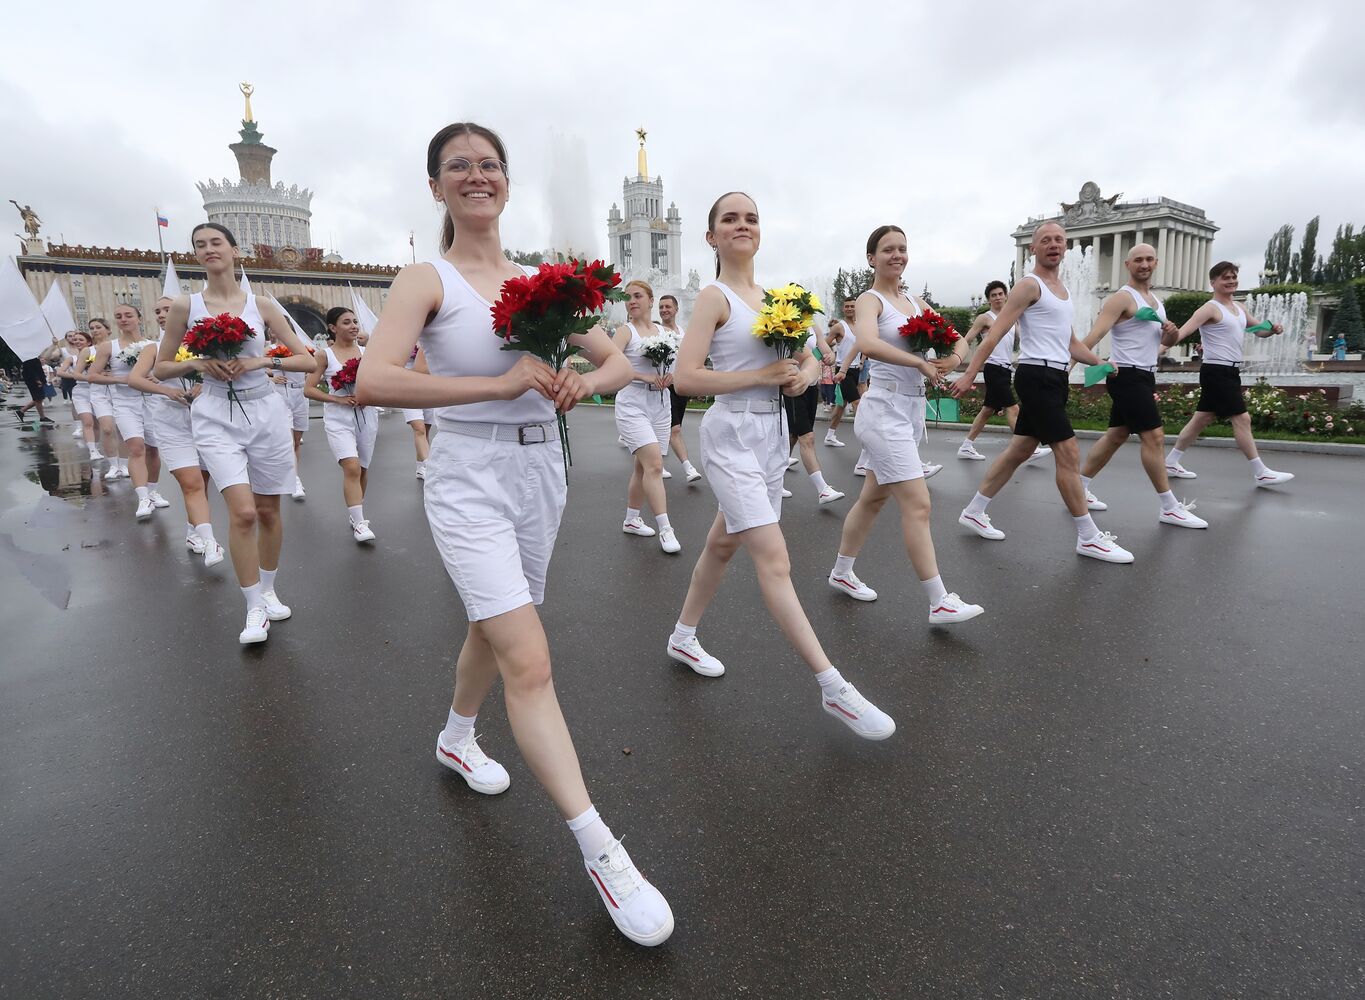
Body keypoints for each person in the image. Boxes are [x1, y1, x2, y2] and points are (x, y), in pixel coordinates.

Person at [355, 122, 672, 947]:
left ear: (506, 180)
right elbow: (373, 381)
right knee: (528, 657)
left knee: (493, 628)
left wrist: (578, 379)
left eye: (488, 164)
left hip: (543, 476)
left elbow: (619, 363)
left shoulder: (542, 282)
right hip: (467, 477)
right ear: (436, 187)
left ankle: (457, 737)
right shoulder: (425, 280)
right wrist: (493, 386)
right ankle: (602, 850)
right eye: (457, 166)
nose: (475, 175)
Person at [667, 190, 897, 743]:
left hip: (772, 435)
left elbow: (812, 353)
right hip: (732, 435)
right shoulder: (714, 297)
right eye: (729, 219)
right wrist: (761, 378)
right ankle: (832, 686)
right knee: (773, 558)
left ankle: (682, 635)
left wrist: (803, 370)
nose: (741, 225)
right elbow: (685, 377)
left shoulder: (777, 297)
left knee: (723, 543)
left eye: (750, 218)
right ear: (711, 235)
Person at [154, 222, 316, 645]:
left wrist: (263, 362)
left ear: (233, 249)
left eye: (215, 243)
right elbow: (161, 367)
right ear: (195, 254)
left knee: (268, 512)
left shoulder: (261, 305)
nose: (209, 250)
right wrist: (196, 364)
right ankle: (253, 608)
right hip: (213, 414)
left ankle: (268, 588)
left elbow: (307, 361)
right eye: (200, 245)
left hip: (265, 411)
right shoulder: (184, 306)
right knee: (243, 512)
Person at [950, 221, 1134, 564]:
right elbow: (993, 336)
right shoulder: (1028, 286)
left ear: (1065, 247)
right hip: (1035, 376)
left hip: (1055, 377)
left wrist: (1100, 360)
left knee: (1020, 450)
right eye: (1045, 240)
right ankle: (1088, 536)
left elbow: (1071, 342)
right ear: (1033, 249)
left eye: (1059, 240)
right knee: (1068, 452)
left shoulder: (1061, 291)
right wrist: (970, 374)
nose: (1053, 244)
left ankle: (975, 510)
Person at [829, 225, 984, 622]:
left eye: (902, 249)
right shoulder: (870, 300)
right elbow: (865, 342)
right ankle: (939, 601)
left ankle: (841, 573)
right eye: (887, 250)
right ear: (871, 258)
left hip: (910, 414)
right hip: (883, 412)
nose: (896, 255)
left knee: (872, 498)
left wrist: (954, 359)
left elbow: (958, 340)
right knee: (918, 504)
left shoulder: (915, 300)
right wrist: (918, 361)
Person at [1073, 244, 1207, 528]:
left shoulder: (1156, 302)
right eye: (1138, 260)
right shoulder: (1121, 298)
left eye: (1148, 259)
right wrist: (1069, 365)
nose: (1144, 264)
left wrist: (1170, 334)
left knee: (1116, 435)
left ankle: (1078, 488)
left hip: (1145, 375)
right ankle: (1169, 507)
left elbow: (1165, 344)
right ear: (1127, 264)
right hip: (1126, 376)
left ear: (1156, 262)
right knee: (1154, 438)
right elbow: (1095, 334)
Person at [1163, 261, 1294, 486]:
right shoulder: (1209, 308)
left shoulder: (1240, 307)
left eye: (1234, 277)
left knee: (1201, 418)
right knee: (1242, 418)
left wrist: (1272, 330)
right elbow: (1183, 332)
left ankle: (1171, 461)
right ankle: (1260, 472)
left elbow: (1257, 329)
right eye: (1225, 277)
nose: (1231, 281)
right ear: (1213, 282)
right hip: (1216, 371)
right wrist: (1157, 349)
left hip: (1230, 371)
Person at [131, 296, 225, 564]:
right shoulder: (154, 348)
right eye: (158, 311)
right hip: (170, 421)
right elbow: (134, 379)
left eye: (168, 309)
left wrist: (204, 386)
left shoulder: (205, 345)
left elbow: (226, 373)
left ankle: (193, 530)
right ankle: (210, 543)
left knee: (202, 482)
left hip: (207, 419)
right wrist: (166, 390)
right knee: (191, 481)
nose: (162, 314)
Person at [613, 279, 682, 553]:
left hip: (661, 404)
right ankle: (667, 529)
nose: (632, 301)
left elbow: (678, 363)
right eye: (627, 297)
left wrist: (670, 377)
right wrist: (644, 376)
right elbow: (610, 365)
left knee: (642, 467)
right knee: (654, 465)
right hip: (633, 403)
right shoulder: (624, 332)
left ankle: (631, 519)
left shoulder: (664, 332)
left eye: (638, 296)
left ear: (650, 300)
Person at [956, 280, 1052, 466]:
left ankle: (966, 446)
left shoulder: (1011, 318)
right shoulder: (985, 318)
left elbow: (1023, 338)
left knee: (987, 411)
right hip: (993, 368)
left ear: (1006, 296)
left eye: (1000, 294)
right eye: (993, 295)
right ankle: (1026, 450)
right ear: (988, 299)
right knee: (1013, 408)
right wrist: (955, 357)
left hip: (1005, 369)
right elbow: (967, 339)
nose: (998, 297)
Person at [304, 307, 379, 542]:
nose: (354, 326)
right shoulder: (324, 355)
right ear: (333, 328)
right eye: (346, 322)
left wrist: (371, 396)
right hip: (339, 419)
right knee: (352, 467)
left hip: (367, 416)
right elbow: (308, 389)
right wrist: (337, 398)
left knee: (363, 469)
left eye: (355, 321)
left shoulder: (369, 352)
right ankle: (359, 523)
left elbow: (380, 383)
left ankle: (355, 511)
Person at [93, 304, 167, 519]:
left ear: (139, 318)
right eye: (118, 316)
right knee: (136, 448)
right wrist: (120, 379)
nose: (124, 319)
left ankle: (153, 491)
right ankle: (142, 496)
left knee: (153, 449)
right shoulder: (109, 347)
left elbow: (164, 370)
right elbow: (93, 375)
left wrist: (157, 377)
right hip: (125, 403)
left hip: (152, 402)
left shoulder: (154, 345)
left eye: (128, 315)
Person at [783, 320, 845, 504]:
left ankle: (774, 476)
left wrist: (830, 357)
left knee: (794, 435)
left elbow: (824, 347)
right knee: (807, 437)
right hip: (792, 386)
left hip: (810, 386)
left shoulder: (811, 324)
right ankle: (822, 489)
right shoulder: (784, 324)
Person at [266, 325, 312, 500]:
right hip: (280, 393)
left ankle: (289, 474)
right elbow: (252, 368)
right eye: (271, 328)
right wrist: (270, 377)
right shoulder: (268, 350)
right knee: (286, 438)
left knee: (296, 442)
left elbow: (312, 366)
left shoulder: (301, 349)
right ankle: (294, 480)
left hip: (300, 394)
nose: (274, 330)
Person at [660, 294, 702, 483]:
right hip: (663, 387)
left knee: (669, 429)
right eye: (661, 307)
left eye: (668, 306)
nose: (664, 310)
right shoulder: (657, 331)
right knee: (674, 429)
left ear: (676, 309)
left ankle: (654, 463)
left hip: (680, 387)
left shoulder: (682, 332)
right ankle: (688, 468)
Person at [81, 318, 127, 476]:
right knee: (107, 429)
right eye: (91, 328)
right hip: (98, 392)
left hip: (119, 390)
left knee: (122, 429)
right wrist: (95, 374)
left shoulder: (118, 347)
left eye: (98, 327)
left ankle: (124, 464)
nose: (94, 330)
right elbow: (77, 374)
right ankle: (113, 465)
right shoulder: (88, 351)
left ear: (108, 330)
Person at [823, 298, 861, 447]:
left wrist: (863, 361)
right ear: (843, 309)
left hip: (856, 369)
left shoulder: (860, 326)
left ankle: (830, 435)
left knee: (841, 406)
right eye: (847, 306)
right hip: (843, 372)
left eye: (852, 306)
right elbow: (823, 345)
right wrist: (821, 359)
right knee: (857, 403)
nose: (850, 308)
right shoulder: (839, 327)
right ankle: (869, 441)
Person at [398, 344, 434, 481]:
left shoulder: (428, 337)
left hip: (427, 387)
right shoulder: (402, 338)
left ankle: (420, 467)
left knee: (425, 430)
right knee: (419, 428)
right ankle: (430, 467)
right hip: (407, 387)